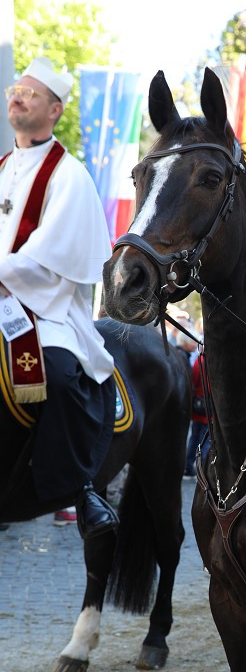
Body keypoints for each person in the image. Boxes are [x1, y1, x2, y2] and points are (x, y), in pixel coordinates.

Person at [0, 57, 117, 539]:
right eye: (16, 89)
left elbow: (50, 259)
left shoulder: (70, 176)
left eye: (30, 92)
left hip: (43, 307)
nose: (17, 95)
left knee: (64, 378)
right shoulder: (4, 167)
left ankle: (79, 490)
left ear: (55, 109)